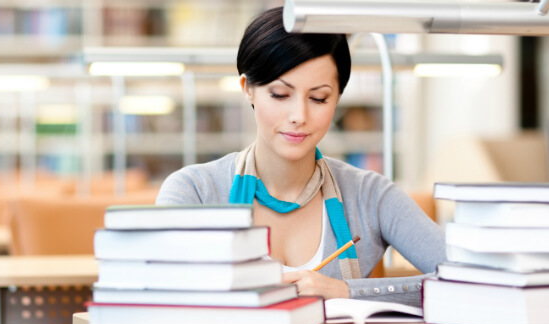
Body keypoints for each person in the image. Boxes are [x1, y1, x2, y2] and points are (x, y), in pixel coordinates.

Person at [155, 6, 446, 307]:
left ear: (337, 99)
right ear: (248, 90)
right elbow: (154, 300)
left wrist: (348, 292)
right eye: (280, 95)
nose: (299, 116)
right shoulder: (193, 192)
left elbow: (471, 280)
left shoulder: (370, 195)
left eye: (319, 98)